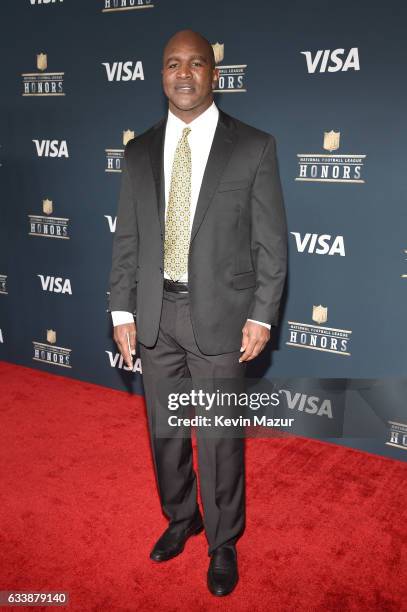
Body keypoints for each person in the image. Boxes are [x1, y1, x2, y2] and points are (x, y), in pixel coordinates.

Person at [108, 29, 287, 597]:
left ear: (214, 73)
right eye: (171, 64)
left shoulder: (254, 146)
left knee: (218, 437)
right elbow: (127, 241)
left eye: (195, 63)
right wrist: (121, 311)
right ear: (160, 75)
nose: (183, 74)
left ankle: (224, 540)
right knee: (164, 432)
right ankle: (182, 518)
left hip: (223, 319)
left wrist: (261, 315)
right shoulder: (138, 151)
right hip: (155, 314)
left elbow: (271, 244)